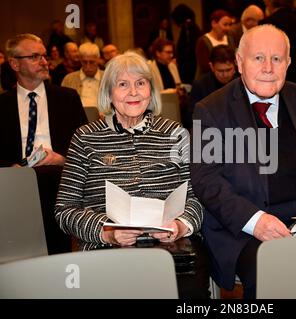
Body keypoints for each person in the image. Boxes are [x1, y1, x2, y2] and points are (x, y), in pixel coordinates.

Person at [190, 24, 296, 299]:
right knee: (275, 276)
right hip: (248, 230)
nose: (268, 67)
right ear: (239, 62)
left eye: (277, 59)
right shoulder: (212, 110)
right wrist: (255, 221)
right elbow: (207, 179)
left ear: (288, 63)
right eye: (258, 58)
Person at [54, 52, 208, 298]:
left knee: (188, 294)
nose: (133, 92)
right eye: (123, 84)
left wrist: (179, 225)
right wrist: (107, 232)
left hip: (172, 248)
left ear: (151, 90)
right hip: (105, 248)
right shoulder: (85, 138)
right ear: (109, 93)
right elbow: (64, 210)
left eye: (140, 83)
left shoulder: (176, 134)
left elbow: (198, 197)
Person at [0, 33, 87, 254]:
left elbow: (86, 147)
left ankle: (58, 266)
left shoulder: (67, 98)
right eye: (35, 56)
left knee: (49, 185)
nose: (44, 62)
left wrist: (63, 159)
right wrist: (10, 168)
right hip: (15, 179)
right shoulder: (1, 105)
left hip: (58, 175)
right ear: (14, 63)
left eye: (44, 56)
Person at [187, 45, 237, 129]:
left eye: (228, 70)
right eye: (220, 71)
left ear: (235, 64)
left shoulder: (241, 83)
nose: (225, 75)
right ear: (211, 66)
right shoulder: (200, 85)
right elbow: (192, 116)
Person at [195, 9, 235, 80]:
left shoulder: (230, 39)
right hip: (208, 81)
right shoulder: (203, 41)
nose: (228, 28)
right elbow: (204, 66)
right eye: (225, 24)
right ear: (214, 23)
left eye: (229, 25)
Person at [61, 42, 103, 107]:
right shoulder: (69, 79)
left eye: (92, 62)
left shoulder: (107, 77)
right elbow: (62, 103)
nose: (88, 66)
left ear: (98, 60)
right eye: (84, 62)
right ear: (80, 60)